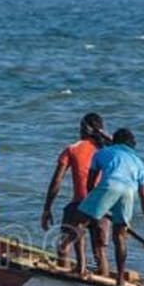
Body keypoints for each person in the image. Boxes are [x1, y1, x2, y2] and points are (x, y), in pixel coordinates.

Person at [63, 128, 144, 286]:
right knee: (120, 237)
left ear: (115, 141)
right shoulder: (138, 161)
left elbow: (90, 184)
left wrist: (96, 207)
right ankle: (120, 279)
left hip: (109, 185)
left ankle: (73, 260)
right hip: (129, 193)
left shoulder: (103, 152)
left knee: (79, 222)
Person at [41, 112, 110, 273]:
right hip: (104, 206)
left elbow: (56, 181)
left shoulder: (73, 149)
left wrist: (47, 208)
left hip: (81, 203)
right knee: (100, 252)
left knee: (63, 248)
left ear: (83, 129)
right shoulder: (107, 151)